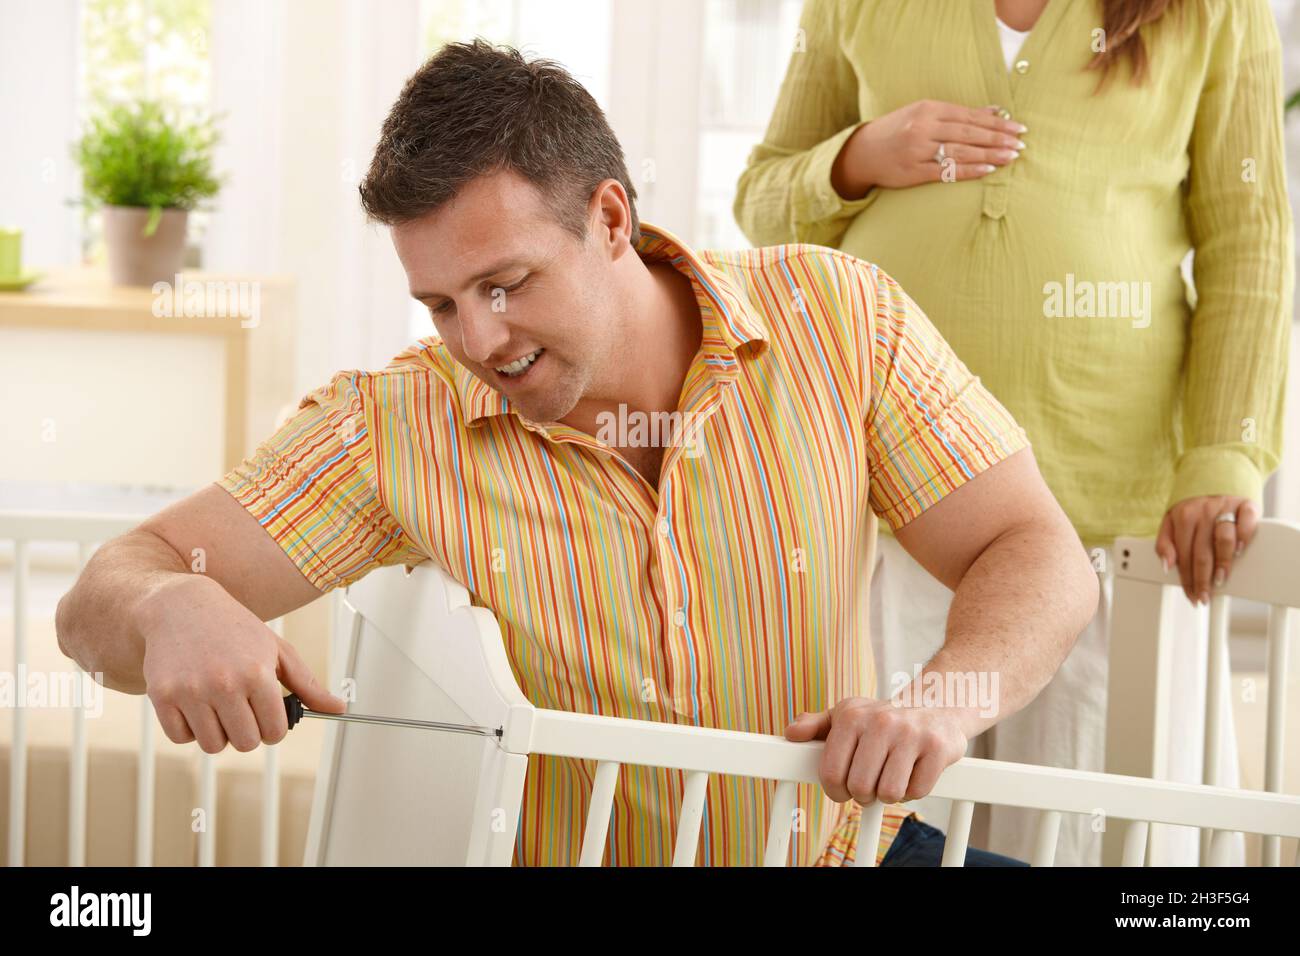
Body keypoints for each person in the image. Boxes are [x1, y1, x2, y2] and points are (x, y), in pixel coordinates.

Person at [56, 39, 1097, 867]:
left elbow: (1029, 545)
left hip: (851, 851)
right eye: (440, 303)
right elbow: (100, 596)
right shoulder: (396, 425)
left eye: (505, 283)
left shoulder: (837, 314)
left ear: (608, 217)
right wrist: (166, 605)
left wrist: (945, 699)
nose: (477, 340)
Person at [734, 0, 1293, 865]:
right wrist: (856, 159)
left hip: (1105, 508)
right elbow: (763, 204)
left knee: (1088, 838)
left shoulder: (1217, 10)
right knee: (885, 823)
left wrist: (1223, 453)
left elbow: (1250, 238)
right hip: (895, 504)